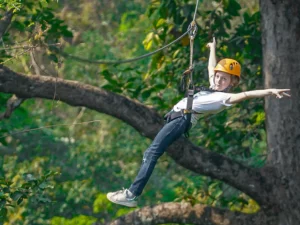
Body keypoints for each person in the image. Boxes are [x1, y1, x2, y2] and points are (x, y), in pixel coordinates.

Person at [106, 38, 290, 207]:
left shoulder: (223, 97)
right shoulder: (213, 87)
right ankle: (132, 193)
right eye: (218, 76)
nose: (218, 79)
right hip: (177, 119)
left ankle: (132, 194)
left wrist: (269, 91)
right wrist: (213, 49)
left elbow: (246, 95)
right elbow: (212, 69)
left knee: (151, 153)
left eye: (223, 78)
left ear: (232, 82)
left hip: (181, 120)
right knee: (151, 153)